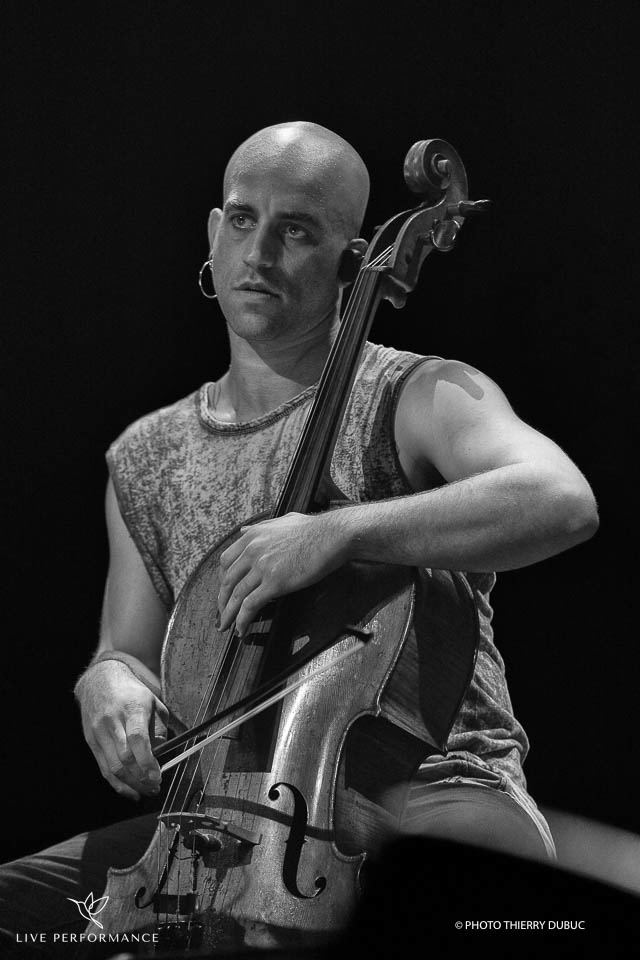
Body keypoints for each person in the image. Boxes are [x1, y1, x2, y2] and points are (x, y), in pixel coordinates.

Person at [0, 121, 598, 954]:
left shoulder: (412, 395)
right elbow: (128, 650)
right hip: (221, 822)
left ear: (352, 260)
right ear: (213, 231)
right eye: (244, 220)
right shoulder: (147, 456)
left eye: (298, 231)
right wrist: (106, 681)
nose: (260, 254)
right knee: (16, 913)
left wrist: (337, 532)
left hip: (429, 790)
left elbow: (560, 499)